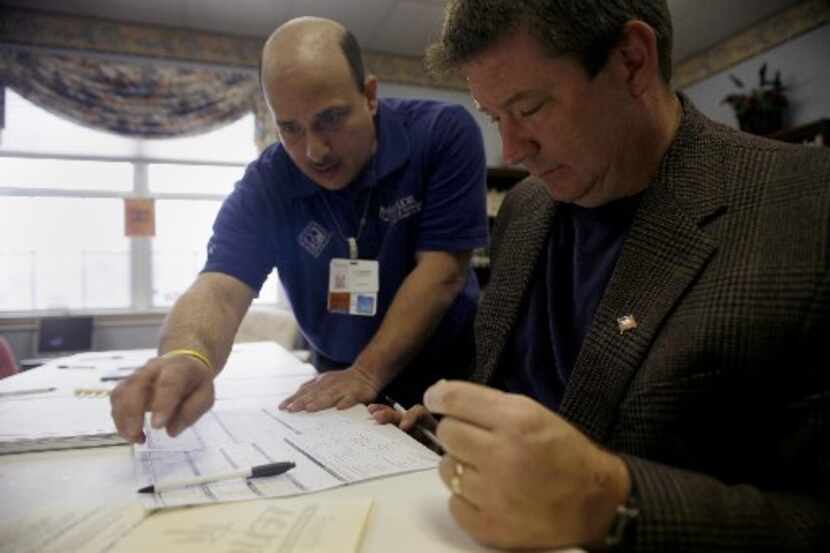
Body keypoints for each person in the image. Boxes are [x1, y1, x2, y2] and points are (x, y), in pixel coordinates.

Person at [371, 0, 830, 550]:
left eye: (531, 107)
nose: (513, 151)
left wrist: (613, 503)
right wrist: (453, 430)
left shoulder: (808, 209)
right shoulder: (523, 209)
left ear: (632, 61)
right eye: (496, 118)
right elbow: (519, 379)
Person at [110, 17, 488, 443]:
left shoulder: (440, 134)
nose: (315, 151)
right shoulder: (269, 182)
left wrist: (367, 372)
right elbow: (218, 286)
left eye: (330, 119)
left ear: (369, 96)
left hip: (444, 376)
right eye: (290, 128)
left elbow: (442, 272)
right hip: (340, 376)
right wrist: (188, 353)